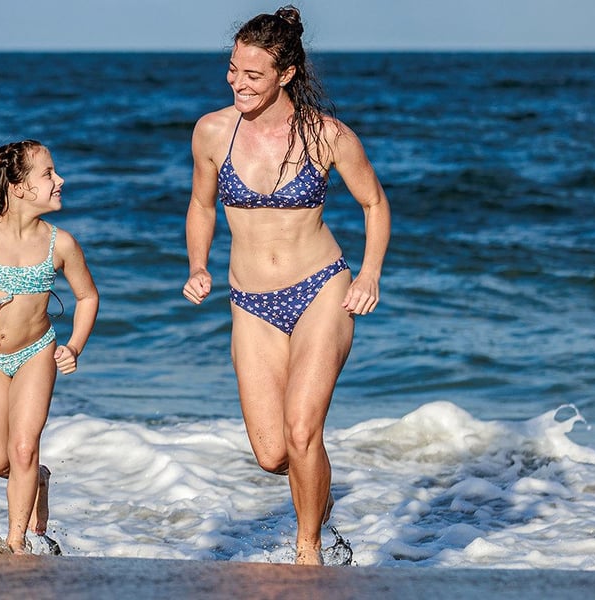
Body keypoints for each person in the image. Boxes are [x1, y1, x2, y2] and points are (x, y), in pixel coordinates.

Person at [182, 5, 390, 565]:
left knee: (302, 431)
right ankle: (319, 501)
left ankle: (310, 550)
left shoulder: (328, 136)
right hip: (250, 301)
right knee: (275, 454)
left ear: (286, 74)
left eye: (252, 75)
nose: (237, 83)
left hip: (320, 286)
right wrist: (197, 265)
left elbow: (374, 203)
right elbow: (201, 205)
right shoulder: (212, 132)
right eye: (232, 70)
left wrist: (369, 274)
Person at [0, 140, 99, 555]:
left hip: (36, 353)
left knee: (22, 447)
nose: (60, 180)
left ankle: (17, 544)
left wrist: (75, 345)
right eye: (48, 174)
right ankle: (37, 478)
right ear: (18, 186)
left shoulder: (60, 244)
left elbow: (88, 297)